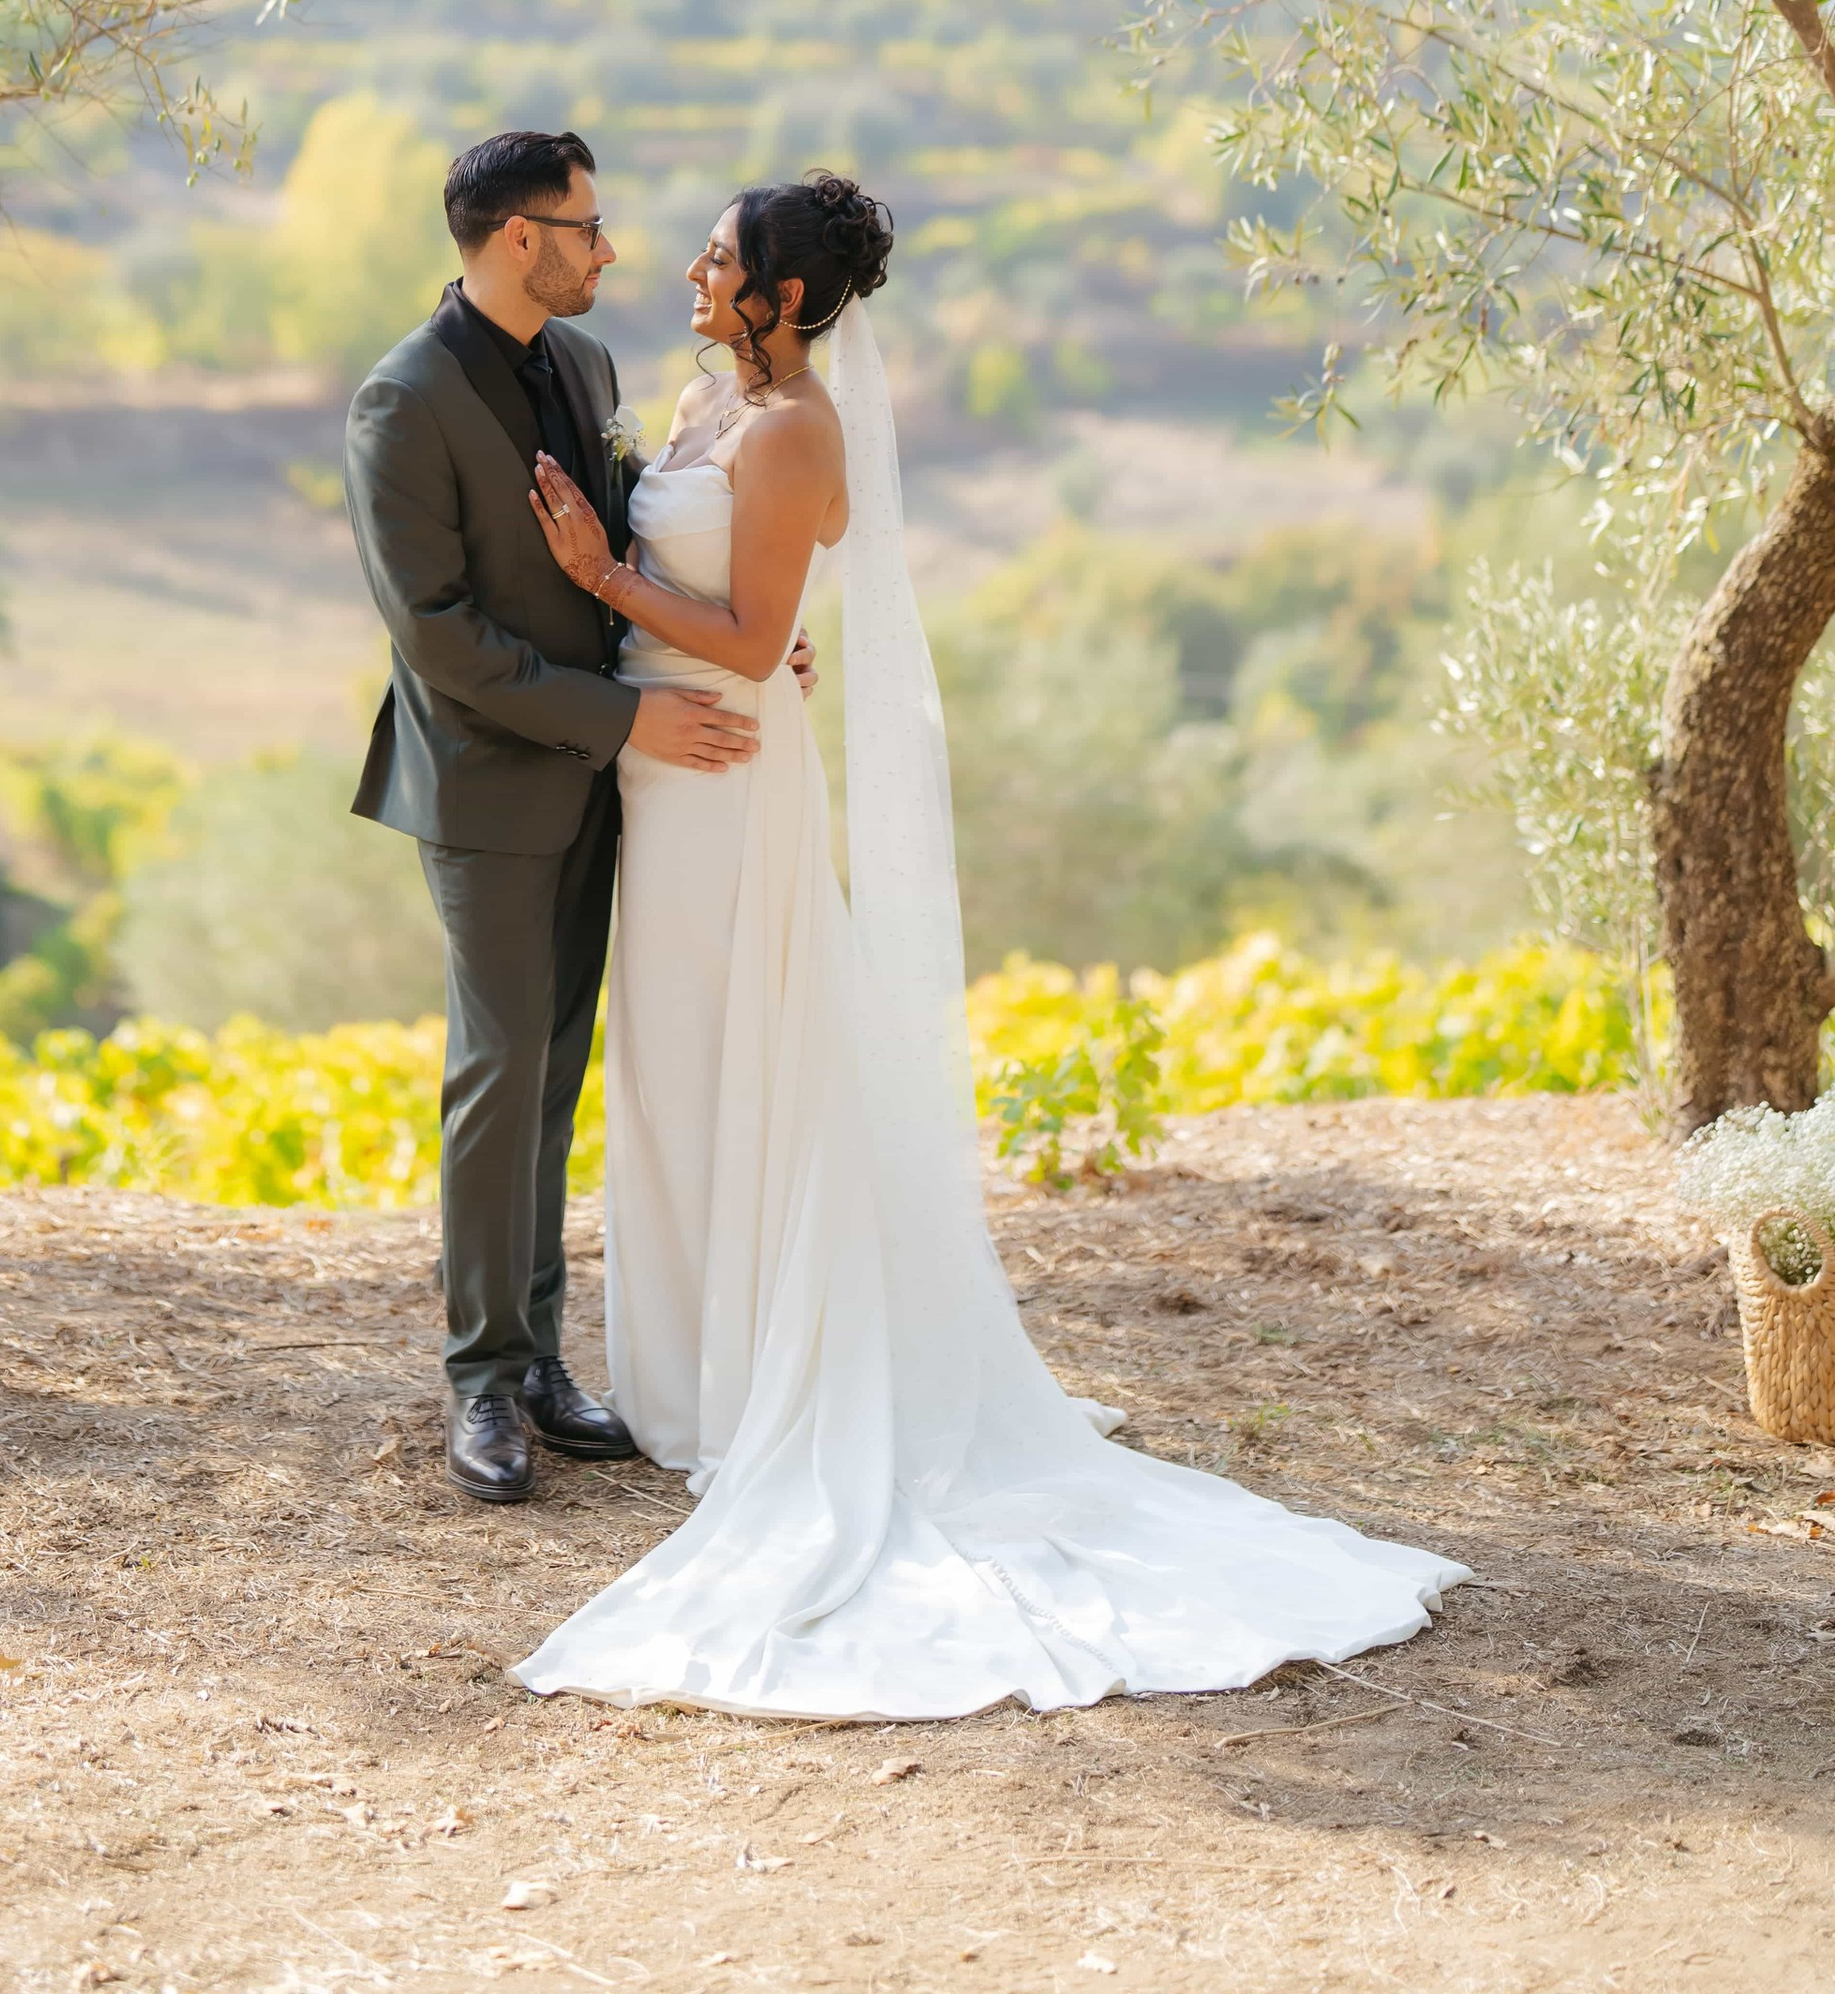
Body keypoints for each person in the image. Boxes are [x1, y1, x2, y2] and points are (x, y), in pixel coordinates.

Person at [513, 169, 1467, 1719]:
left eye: (724, 254)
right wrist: (651, 599)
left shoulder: (800, 422)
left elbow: (759, 640)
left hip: (728, 771)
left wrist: (598, 573)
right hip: (663, 760)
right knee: (678, 1059)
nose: (691, 261)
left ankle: (756, 1378)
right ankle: (691, 1374)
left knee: (738, 1044)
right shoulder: (706, 396)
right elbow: (748, 604)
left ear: (788, 300)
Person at [343, 128, 760, 1506]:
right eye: (588, 225)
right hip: (488, 783)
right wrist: (625, 715)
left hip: (605, 777)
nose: (610, 246)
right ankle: (479, 1376)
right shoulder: (399, 402)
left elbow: (621, 556)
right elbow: (442, 641)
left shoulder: (584, 365)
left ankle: (536, 1356)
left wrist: (733, 641)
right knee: (498, 1071)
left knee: (556, 1071)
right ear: (518, 238)